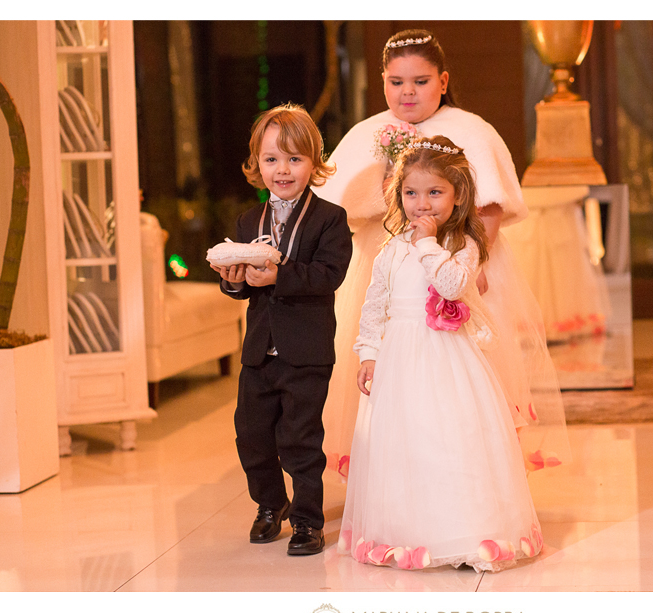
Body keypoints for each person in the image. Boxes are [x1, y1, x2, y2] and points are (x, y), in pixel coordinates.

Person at [319, 28, 569, 483]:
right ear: (382, 81)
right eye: (396, 82)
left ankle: (467, 473)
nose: (407, 92)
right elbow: (337, 204)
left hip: (456, 262)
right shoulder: (366, 133)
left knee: (460, 372)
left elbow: (489, 203)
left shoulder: (470, 129)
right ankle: (396, 476)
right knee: (388, 363)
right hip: (385, 265)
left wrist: (481, 261)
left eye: (420, 81)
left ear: (443, 79)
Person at [338, 136, 543, 572]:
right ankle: (411, 531)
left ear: (458, 195)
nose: (422, 204)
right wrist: (369, 352)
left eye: (435, 192)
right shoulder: (391, 250)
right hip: (400, 358)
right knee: (407, 440)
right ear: (399, 195)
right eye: (411, 193)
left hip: (448, 357)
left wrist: (429, 244)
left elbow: (450, 285)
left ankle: (466, 529)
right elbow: (376, 303)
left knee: (452, 435)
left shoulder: (463, 245)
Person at [213, 103, 352, 555]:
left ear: (314, 162)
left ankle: (308, 521)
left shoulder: (330, 218)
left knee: (300, 438)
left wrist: (282, 273)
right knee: (251, 435)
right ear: (257, 165)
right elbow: (243, 288)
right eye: (272, 159)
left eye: (295, 159)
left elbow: (330, 274)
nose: (283, 170)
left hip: (306, 351)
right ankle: (271, 506)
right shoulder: (248, 221)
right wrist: (233, 284)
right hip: (259, 351)